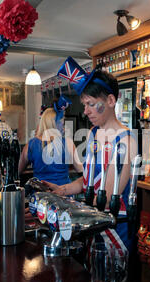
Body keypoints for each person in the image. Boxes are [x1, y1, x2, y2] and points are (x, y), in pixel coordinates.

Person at [44, 57, 138, 255]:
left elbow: (108, 196)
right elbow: (88, 179)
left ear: (111, 101)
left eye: (91, 104)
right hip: (90, 222)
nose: (85, 111)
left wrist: (67, 203)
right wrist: (62, 190)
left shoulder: (125, 142)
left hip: (112, 227)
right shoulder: (95, 133)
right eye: (84, 104)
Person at [18, 107, 82, 185]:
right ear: (54, 124)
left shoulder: (31, 145)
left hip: (40, 193)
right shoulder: (68, 143)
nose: (63, 127)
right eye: (62, 123)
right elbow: (80, 170)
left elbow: (17, 170)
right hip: (63, 193)